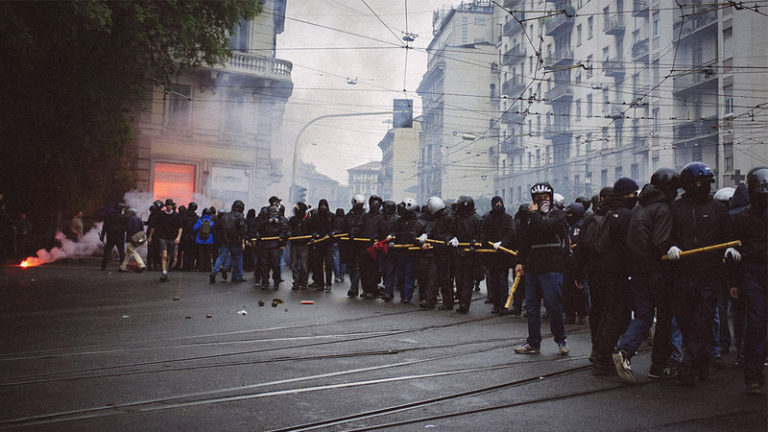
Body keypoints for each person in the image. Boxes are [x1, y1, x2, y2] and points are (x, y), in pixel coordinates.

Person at [668, 162, 734, 386]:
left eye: (706, 183)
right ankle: (702, 361)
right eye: (699, 182)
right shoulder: (676, 209)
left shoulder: (717, 209)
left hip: (708, 274)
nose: (703, 186)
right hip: (682, 274)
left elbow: (728, 235)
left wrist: (729, 249)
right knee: (686, 320)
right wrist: (670, 247)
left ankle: (688, 365)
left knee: (703, 319)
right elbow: (667, 235)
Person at [612, 168, 679, 383]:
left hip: (637, 268)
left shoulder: (640, 204)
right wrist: (670, 249)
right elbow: (660, 241)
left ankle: (624, 351)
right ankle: (659, 366)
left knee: (643, 314)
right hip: (657, 269)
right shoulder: (663, 207)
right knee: (665, 316)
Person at [577, 179, 636, 375]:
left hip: (594, 272)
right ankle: (604, 355)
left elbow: (582, 249)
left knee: (599, 311)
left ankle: (597, 350)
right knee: (616, 314)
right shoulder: (625, 215)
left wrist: (578, 273)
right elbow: (629, 247)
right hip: (616, 273)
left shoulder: (593, 217)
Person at [514, 183, 569, 356]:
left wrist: (534, 213)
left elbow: (545, 227)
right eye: (537, 198)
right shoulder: (530, 217)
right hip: (533, 267)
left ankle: (561, 340)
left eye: (545, 197)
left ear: (551, 197)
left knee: (553, 306)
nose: (541, 201)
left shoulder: (558, 215)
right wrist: (520, 261)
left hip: (552, 267)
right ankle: (533, 342)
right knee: (531, 307)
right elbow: (524, 240)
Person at [731, 166, 768, 395]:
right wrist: (734, 281)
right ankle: (753, 375)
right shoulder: (741, 217)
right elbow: (734, 249)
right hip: (752, 271)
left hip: (755, 270)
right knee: (756, 322)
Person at [481, 196, 516, 314]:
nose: (498, 205)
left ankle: (503, 305)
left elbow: (511, 232)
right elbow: (483, 234)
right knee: (494, 282)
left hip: (503, 255)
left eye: (500, 202)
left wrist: (502, 243)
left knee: (502, 281)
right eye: (496, 203)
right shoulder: (488, 219)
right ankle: (497, 305)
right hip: (492, 255)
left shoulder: (507, 218)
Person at [447, 196, 482, 314]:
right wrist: (453, 239)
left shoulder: (476, 219)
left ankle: (464, 303)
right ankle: (461, 299)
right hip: (458, 253)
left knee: (467, 280)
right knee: (459, 279)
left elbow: (481, 235)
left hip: (470, 255)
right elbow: (451, 232)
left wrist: (475, 242)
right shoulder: (457, 218)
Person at [418, 196, 454, 310]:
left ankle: (448, 302)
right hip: (438, 251)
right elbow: (432, 229)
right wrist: (426, 235)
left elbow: (450, 232)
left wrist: (447, 240)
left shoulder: (448, 218)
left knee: (444, 278)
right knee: (433, 276)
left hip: (446, 252)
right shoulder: (438, 218)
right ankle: (430, 300)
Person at [389, 198, 419, 303]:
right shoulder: (399, 220)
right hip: (400, 252)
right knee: (401, 274)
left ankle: (407, 295)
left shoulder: (416, 221)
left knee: (409, 274)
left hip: (411, 252)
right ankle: (403, 294)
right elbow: (395, 232)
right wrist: (392, 238)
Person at [210, 200, 247, 283]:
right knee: (237, 257)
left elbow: (219, 228)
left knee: (222, 256)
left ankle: (214, 272)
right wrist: (243, 239)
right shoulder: (240, 216)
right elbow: (242, 229)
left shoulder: (225, 215)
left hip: (224, 240)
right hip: (235, 240)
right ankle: (237, 276)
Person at [563, 202, 587, 325]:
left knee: (580, 289)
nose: (568, 215)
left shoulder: (583, 225)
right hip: (567, 262)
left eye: (570, 213)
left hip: (579, 261)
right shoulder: (565, 225)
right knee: (566, 289)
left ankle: (582, 313)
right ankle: (569, 313)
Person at [148, 199, 182, 282]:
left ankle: (165, 271)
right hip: (162, 237)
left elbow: (180, 228)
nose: (169, 207)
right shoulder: (161, 215)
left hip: (172, 238)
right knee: (164, 255)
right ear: (165, 206)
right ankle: (164, 271)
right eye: (167, 205)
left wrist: (178, 237)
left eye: (170, 205)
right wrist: (150, 236)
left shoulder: (176, 216)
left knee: (169, 257)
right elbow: (154, 227)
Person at [259, 204, 288, 290]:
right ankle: (265, 282)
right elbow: (259, 231)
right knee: (265, 265)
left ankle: (276, 282)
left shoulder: (281, 223)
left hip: (275, 246)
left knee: (276, 265)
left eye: (275, 215)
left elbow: (286, 232)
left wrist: (282, 241)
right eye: (271, 215)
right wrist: (259, 237)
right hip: (266, 246)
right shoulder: (264, 223)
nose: (273, 217)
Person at [309, 199, 334, 291]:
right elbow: (311, 228)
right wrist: (314, 234)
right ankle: (320, 283)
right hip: (318, 243)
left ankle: (328, 283)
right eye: (321, 205)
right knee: (318, 264)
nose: (323, 207)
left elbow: (335, 228)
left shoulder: (331, 216)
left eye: (324, 205)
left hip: (328, 244)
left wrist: (331, 234)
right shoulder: (315, 216)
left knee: (329, 264)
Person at [345, 195, 367, 298]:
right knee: (350, 266)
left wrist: (356, 232)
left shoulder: (365, 216)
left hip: (361, 245)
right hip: (350, 245)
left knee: (358, 267)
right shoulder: (348, 215)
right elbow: (345, 227)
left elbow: (363, 227)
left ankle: (353, 287)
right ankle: (353, 285)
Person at [377, 200, 399, 299]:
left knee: (390, 269)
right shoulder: (381, 219)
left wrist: (393, 236)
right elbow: (377, 231)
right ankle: (386, 287)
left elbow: (399, 232)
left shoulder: (397, 219)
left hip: (391, 248)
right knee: (383, 269)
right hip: (382, 247)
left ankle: (389, 291)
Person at [288, 201, 312, 290]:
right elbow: (288, 229)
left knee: (304, 265)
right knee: (294, 265)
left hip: (304, 245)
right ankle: (296, 282)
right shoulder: (293, 220)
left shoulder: (308, 220)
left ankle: (304, 282)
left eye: (297, 207)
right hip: (294, 244)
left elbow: (311, 231)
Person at [120, 208, 146, 272]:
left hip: (131, 238)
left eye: (128, 213)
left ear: (131, 213)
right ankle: (123, 267)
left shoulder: (130, 219)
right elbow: (142, 229)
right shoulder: (139, 219)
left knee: (133, 251)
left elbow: (128, 228)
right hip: (137, 238)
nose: (127, 214)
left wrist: (123, 227)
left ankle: (141, 265)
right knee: (128, 253)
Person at [100, 204, 126, 271]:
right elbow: (125, 228)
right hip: (119, 237)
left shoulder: (108, 216)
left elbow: (104, 227)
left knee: (107, 251)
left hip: (110, 237)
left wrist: (102, 236)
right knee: (121, 252)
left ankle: (103, 266)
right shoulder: (122, 217)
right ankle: (122, 267)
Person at [194, 207, 215, 272]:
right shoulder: (212, 222)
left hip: (200, 240)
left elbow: (195, 228)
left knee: (201, 254)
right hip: (209, 240)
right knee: (208, 254)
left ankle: (201, 267)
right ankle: (208, 268)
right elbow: (214, 231)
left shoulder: (199, 220)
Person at [181, 202, 199, 271]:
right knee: (192, 252)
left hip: (185, 236)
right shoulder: (196, 217)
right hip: (193, 237)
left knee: (186, 252)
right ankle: (191, 266)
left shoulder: (184, 216)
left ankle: (185, 266)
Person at [332, 208, 346, 283]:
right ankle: (342, 275)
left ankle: (337, 276)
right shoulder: (345, 220)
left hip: (335, 241)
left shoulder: (334, 220)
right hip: (344, 242)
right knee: (343, 260)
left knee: (336, 259)